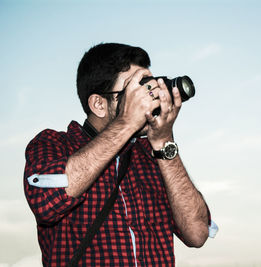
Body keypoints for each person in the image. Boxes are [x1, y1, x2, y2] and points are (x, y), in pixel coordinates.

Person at [23, 43, 217, 266]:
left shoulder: (154, 157)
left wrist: (164, 143)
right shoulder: (55, 144)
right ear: (99, 104)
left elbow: (197, 233)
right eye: (136, 90)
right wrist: (126, 123)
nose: (148, 97)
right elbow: (46, 203)